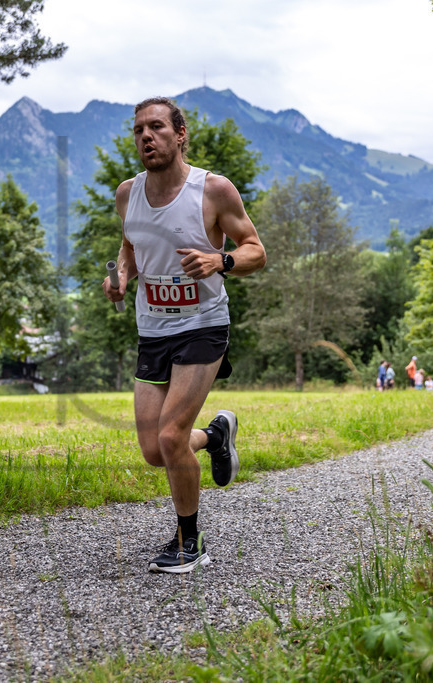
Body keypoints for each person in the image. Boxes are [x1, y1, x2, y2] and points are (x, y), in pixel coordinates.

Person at [103, 96, 267, 574]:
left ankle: (189, 541)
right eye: (138, 131)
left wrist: (221, 261)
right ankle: (215, 436)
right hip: (153, 329)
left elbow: (256, 250)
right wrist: (121, 276)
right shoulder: (126, 194)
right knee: (156, 450)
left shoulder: (213, 191)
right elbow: (130, 245)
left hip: (203, 326)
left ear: (180, 135)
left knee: (172, 435)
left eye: (156, 127)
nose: (145, 137)